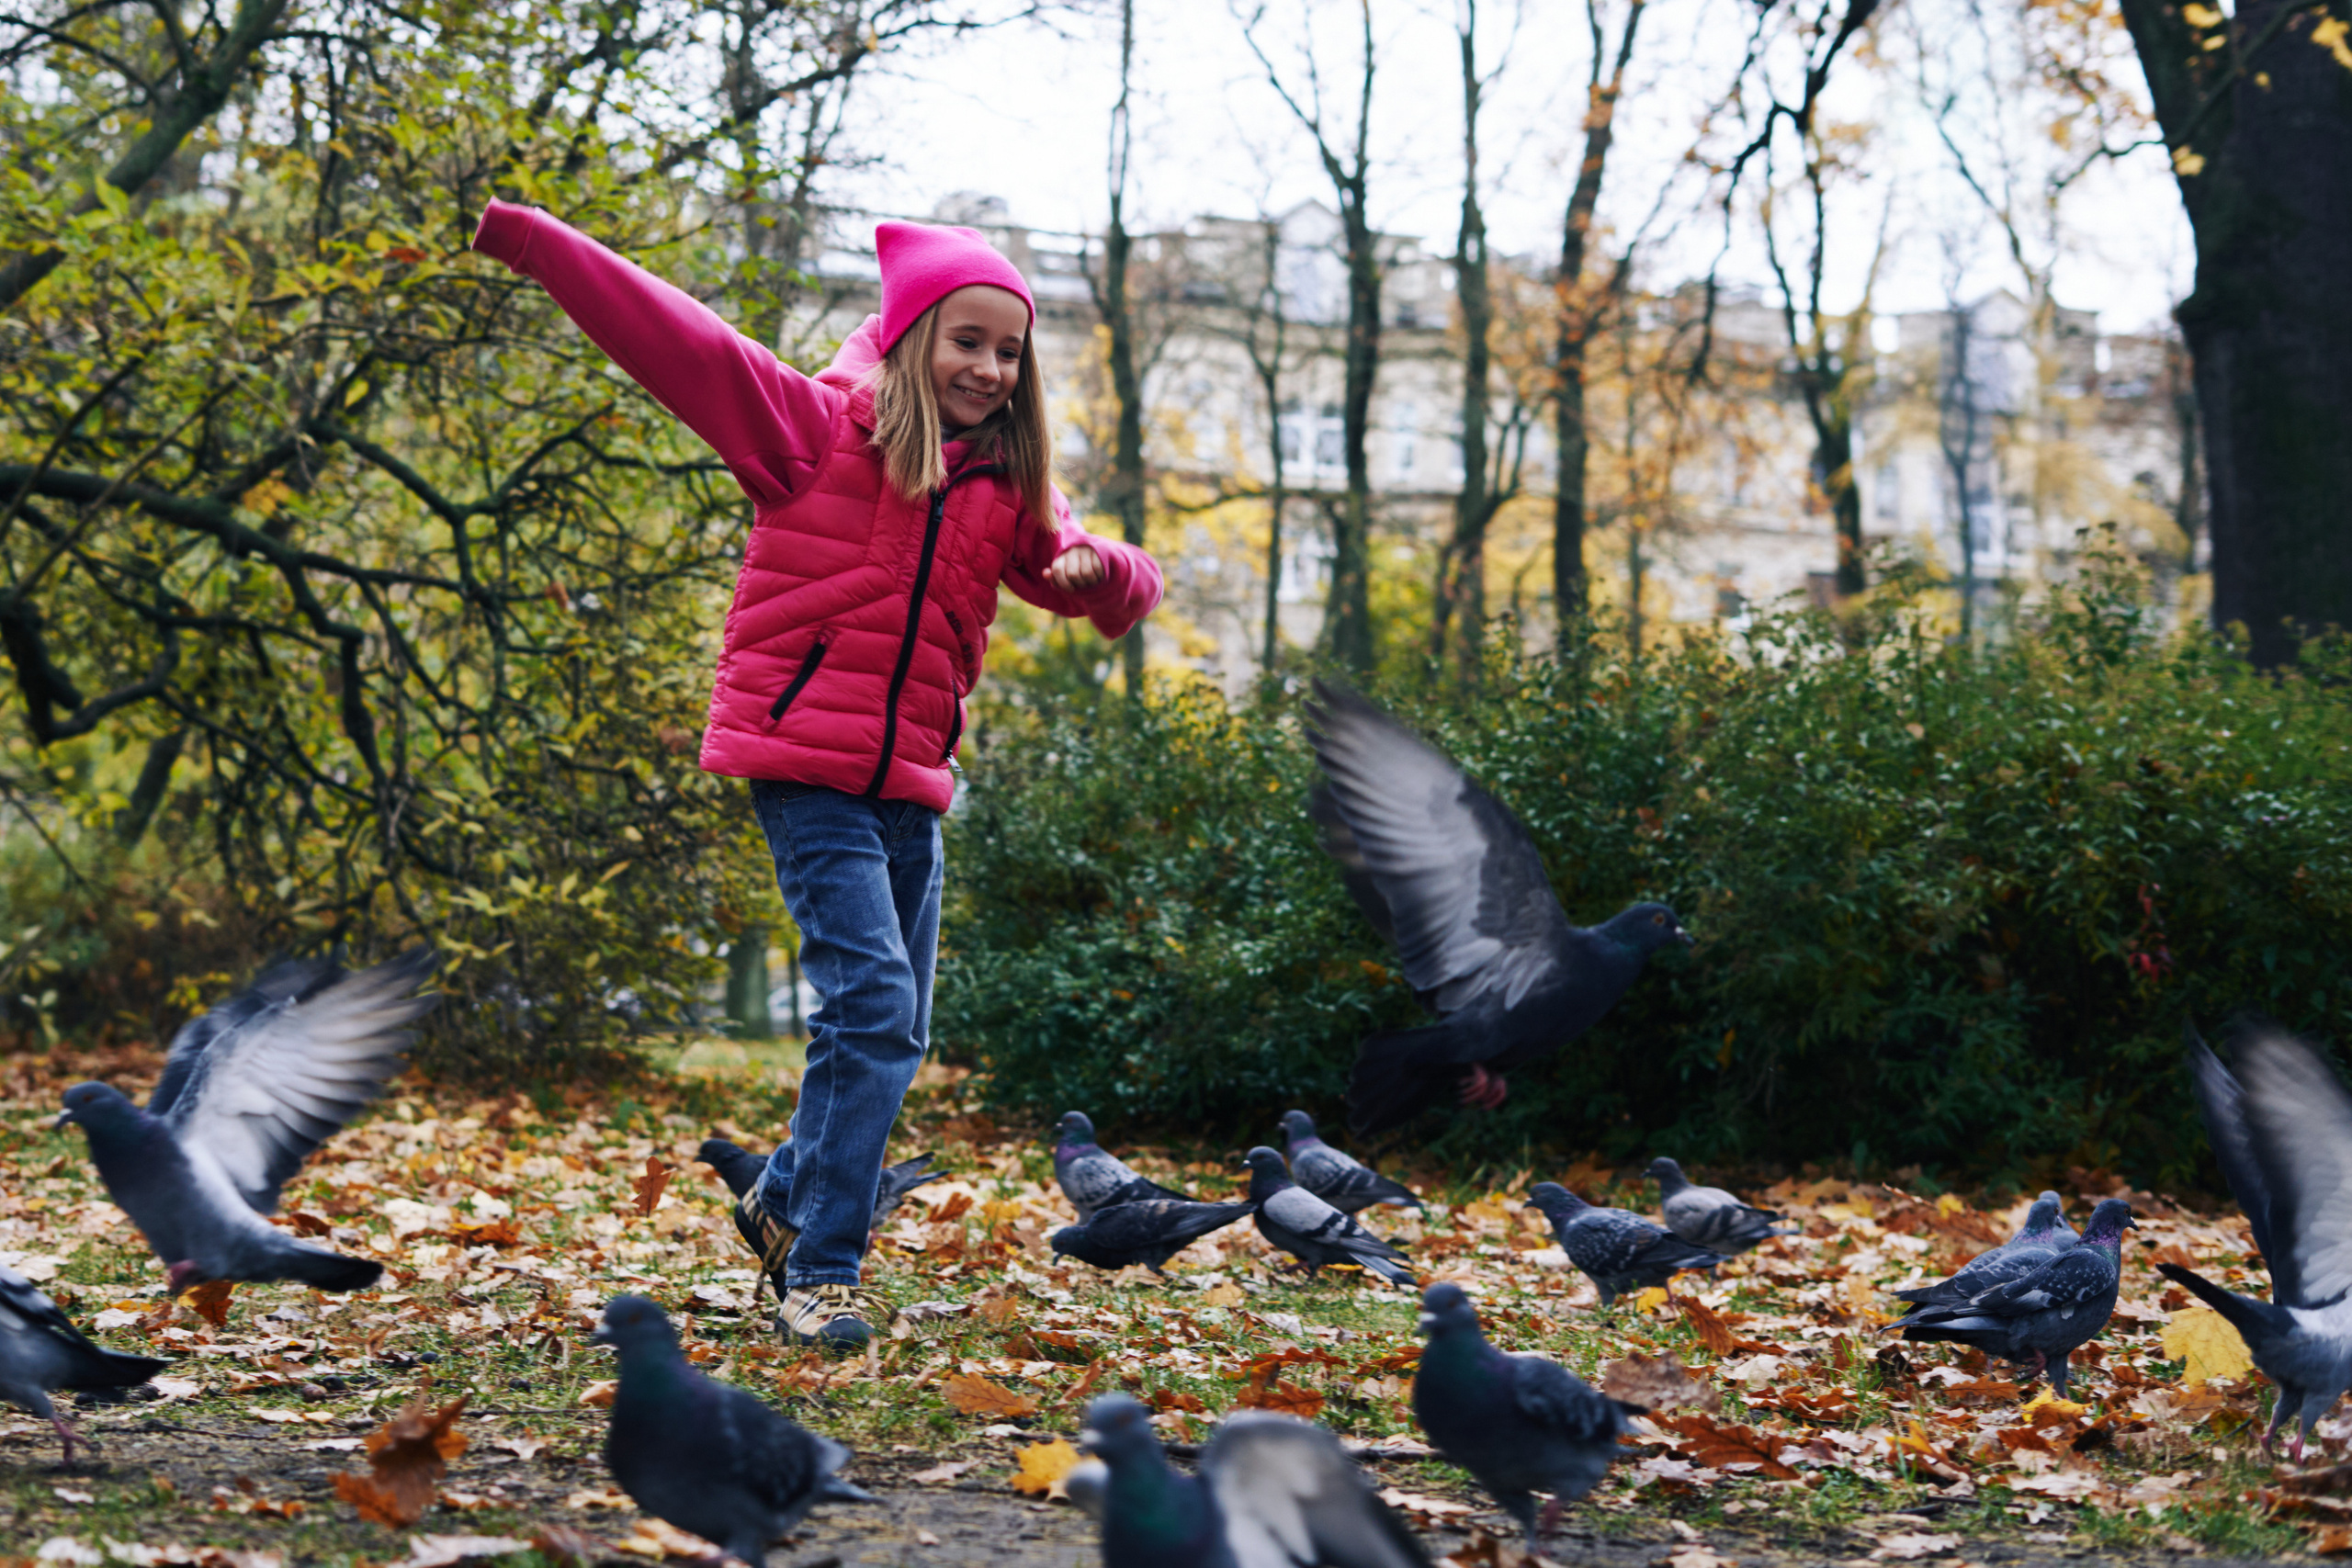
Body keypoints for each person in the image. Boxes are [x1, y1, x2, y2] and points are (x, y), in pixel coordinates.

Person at [471, 203, 1162, 1350]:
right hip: (804, 765)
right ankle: (821, 1270)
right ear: (907, 336)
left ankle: (783, 1195)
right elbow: (676, 338)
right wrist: (536, 240)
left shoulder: (1003, 480)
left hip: (911, 780)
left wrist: (1105, 572)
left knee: (896, 1027)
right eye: (966, 341)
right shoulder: (811, 429)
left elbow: (1107, 576)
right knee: (873, 1010)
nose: (989, 368)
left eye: (1008, 351)